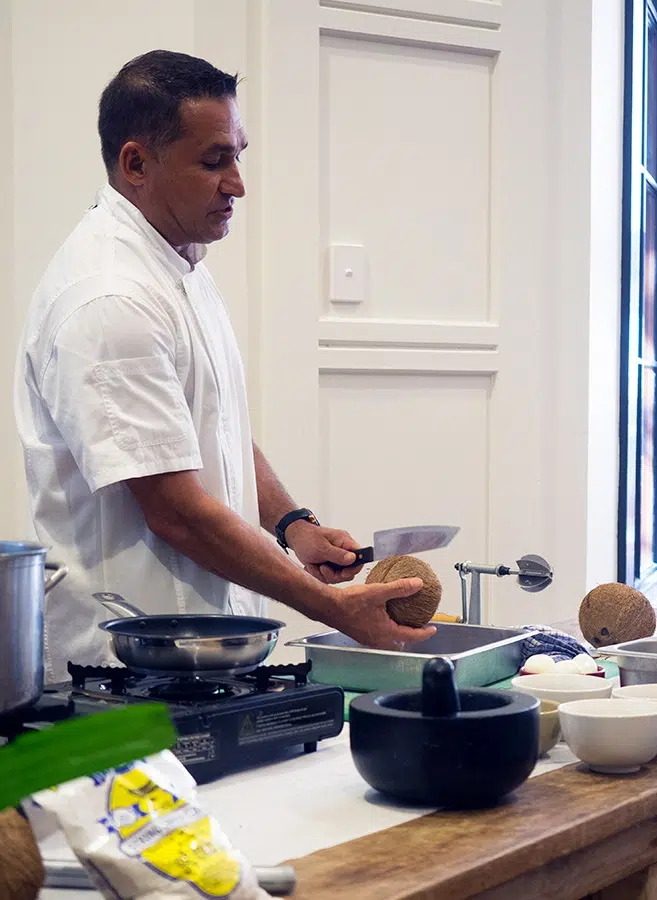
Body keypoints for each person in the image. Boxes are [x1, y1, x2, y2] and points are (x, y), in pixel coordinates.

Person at [14, 50, 435, 684]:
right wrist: (330, 607)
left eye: (238, 155)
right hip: (123, 672)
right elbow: (175, 510)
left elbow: (214, 424)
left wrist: (293, 525)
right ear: (136, 164)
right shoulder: (109, 300)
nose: (238, 183)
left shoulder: (180, 264)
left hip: (202, 653)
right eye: (215, 162)